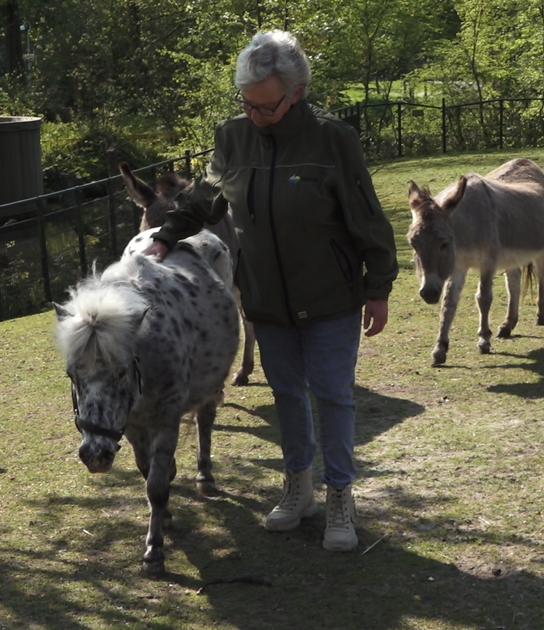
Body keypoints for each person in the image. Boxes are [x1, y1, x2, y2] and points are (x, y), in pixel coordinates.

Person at [143, 30, 398, 552]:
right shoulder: (232, 136)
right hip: (266, 295)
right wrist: (166, 236)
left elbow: (367, 217)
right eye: (247, 103)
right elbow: (206, 200)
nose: (255, 115)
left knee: (333, 395)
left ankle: (340, 497)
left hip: (330, 295)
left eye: (266, 106)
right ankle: (298, 490)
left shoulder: (333, 139)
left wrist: (378, 286)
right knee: (285, 394)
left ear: (296, 93)